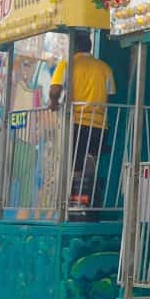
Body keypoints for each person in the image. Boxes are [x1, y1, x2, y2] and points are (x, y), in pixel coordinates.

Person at [48, 32, 115, 210]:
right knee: (90, 159)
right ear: (90, 46)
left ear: (75, 47)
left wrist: (53, 103)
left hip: (76, 122)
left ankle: (73, 203)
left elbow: (55, 90)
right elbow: (109, 95)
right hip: (99, 123)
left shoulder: (67, 64)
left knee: (73, 165)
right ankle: (88, 197)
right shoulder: (104, 67)